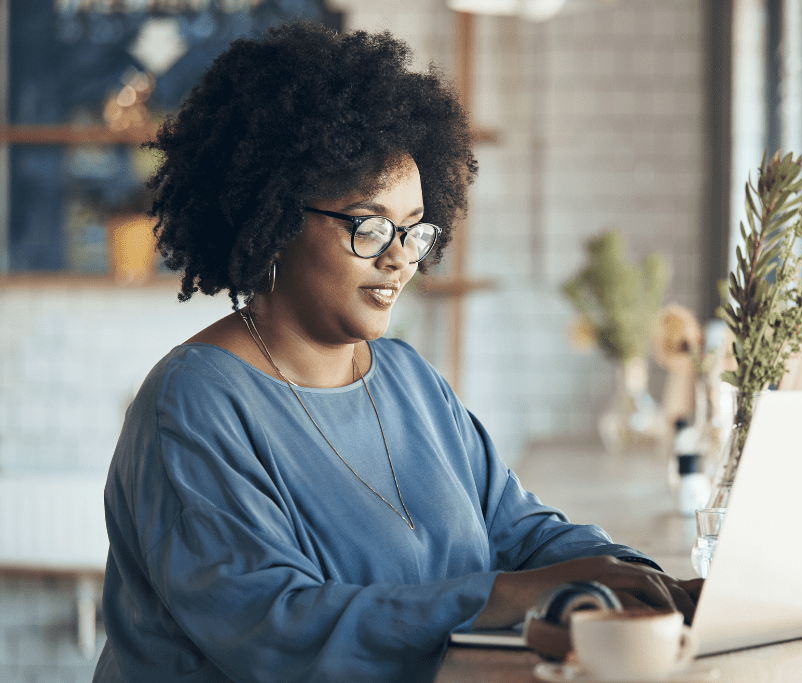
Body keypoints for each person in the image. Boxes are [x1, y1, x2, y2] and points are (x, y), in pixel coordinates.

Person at [93, 22, 700, 683]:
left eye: (414, 230)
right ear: (273, 217)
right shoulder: (191, 404)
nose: (399, 257)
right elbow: (278, 630)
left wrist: (645, 579)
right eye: (369, 225)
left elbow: (521, 532)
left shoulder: (410, 380)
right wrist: (504, 595)